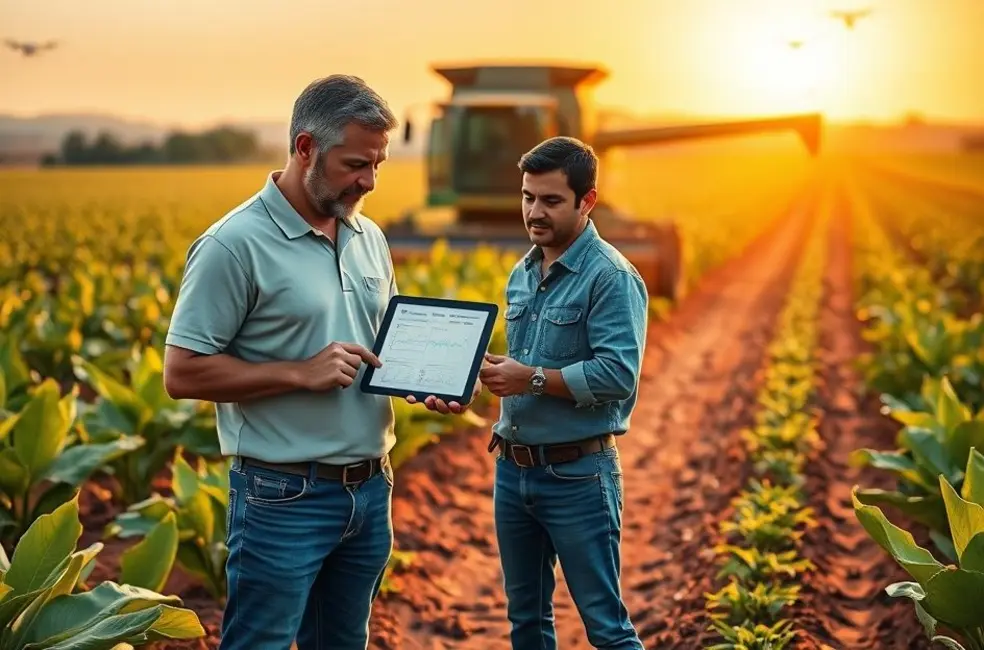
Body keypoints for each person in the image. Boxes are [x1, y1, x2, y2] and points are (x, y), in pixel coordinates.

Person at [162, 74, 476, 650]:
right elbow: (180, 372)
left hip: (370, 490)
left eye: (379, 164)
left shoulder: (370, 237)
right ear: (305, 147)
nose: (370, 180)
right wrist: (298, 372)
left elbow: (379, 349)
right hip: (282, 497)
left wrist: (427, 382)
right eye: (356, 163)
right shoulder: (233, 245)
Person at [481, 136, 648, 649]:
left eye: (551, 200)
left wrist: (529, 377)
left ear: (587, 201)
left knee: (607, 628)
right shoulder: (523, 271)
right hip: (513, 472)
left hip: (577, 476)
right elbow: (521, 365)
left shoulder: (611, 277)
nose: (535, 211)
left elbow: (618, 375)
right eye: (529, 197)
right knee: (526, 623)